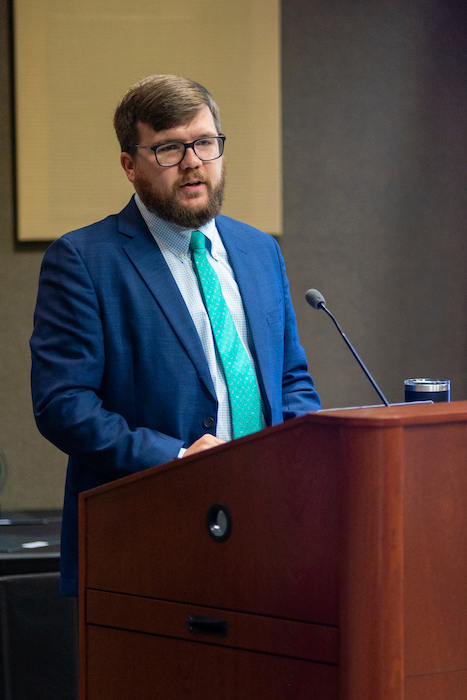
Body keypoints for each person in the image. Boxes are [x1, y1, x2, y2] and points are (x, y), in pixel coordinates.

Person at [30, 74, 320, 596]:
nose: (192, 162)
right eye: (168, 148)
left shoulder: (259, 251)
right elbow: (63, 404)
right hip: (147, 541)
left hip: (269, 527)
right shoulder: (83, 260)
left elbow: (291, 378)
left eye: (204, 143)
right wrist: (179, 461)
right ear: (129, 165)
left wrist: (298, 458)